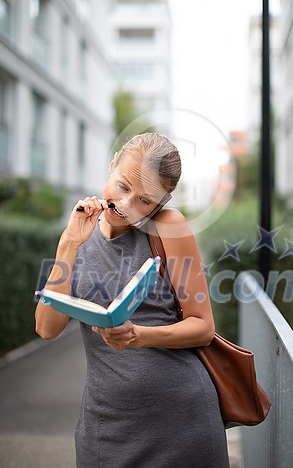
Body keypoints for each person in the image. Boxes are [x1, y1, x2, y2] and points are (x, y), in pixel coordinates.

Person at [35, 132, 230, 468]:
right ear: (112, 165)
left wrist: (139, 336)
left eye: (144, 200)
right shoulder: (78, 233)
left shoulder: (169, 227)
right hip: (106, 427)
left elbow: (203, 328)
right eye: (123, 186)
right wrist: (69, 242)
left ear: (162, 202)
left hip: (184, 425)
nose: (126, 206)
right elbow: (46, 328)